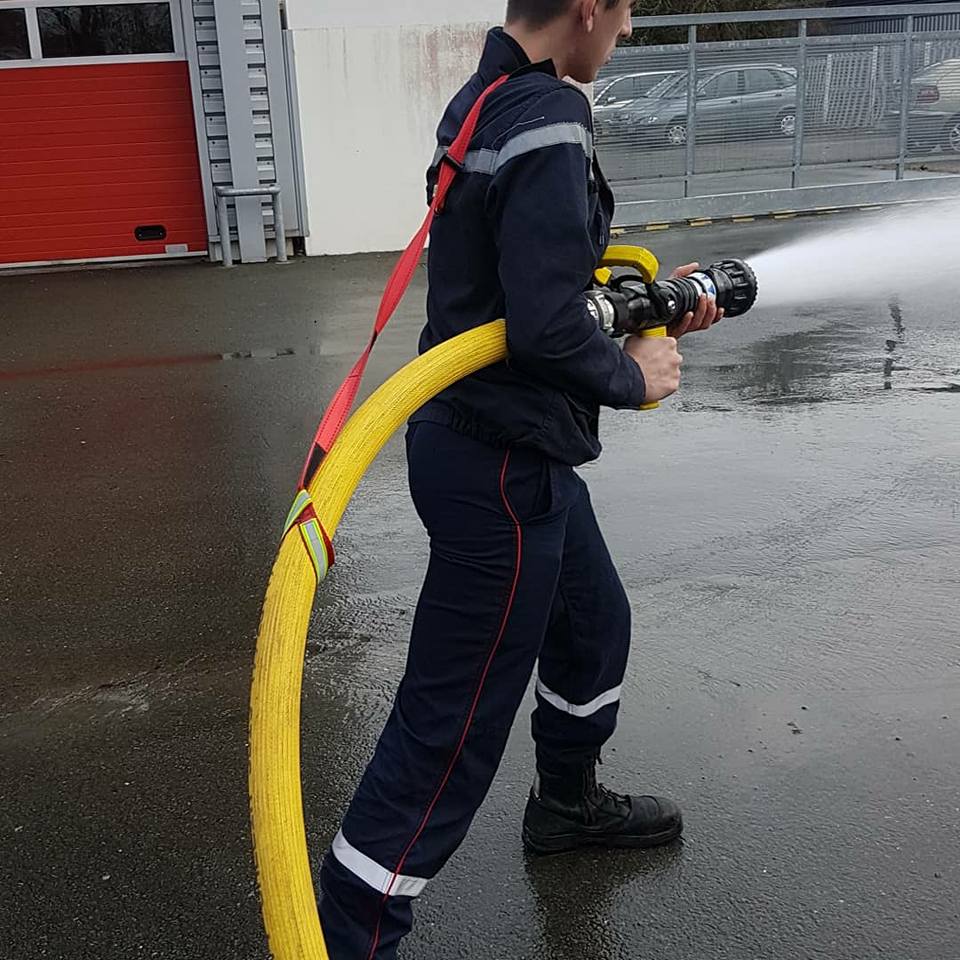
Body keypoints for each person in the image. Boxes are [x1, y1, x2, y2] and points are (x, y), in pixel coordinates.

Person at [318, 2, 721, 957]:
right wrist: (632, 374)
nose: (626, 31)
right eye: (625, 10)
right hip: (498, 467)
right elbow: (542, 327)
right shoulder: (550, 115)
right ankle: (346, 928)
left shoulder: (488, 97)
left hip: (499, 446)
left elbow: (518, 286)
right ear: (587, 7)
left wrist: (636, 309)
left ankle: (568, 805)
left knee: (591, 622)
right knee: (448, 732)